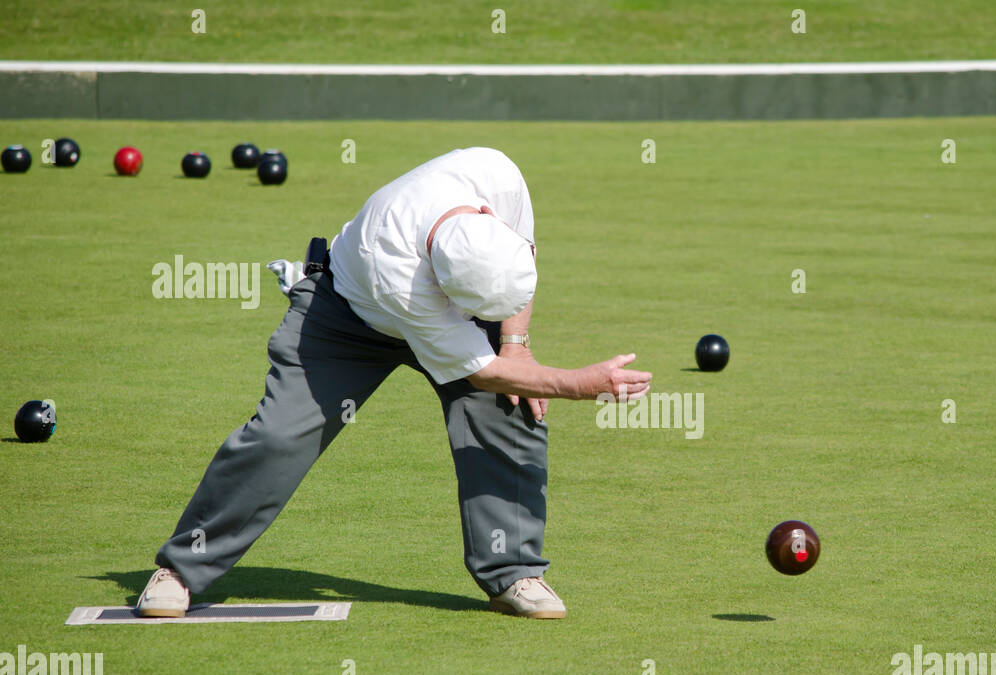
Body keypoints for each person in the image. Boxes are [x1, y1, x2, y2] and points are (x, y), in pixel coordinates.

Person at [136, 147, 651, 620]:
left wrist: (516, 343)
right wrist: (578, 384)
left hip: (445, 317)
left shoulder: (497, 176)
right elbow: (480, 370)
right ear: (445, 282)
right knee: (278, 435)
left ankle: (514, 573)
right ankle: (183, 567)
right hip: (347, 317)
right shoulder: (398, 270)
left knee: (511, 409)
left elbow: (521, 272)